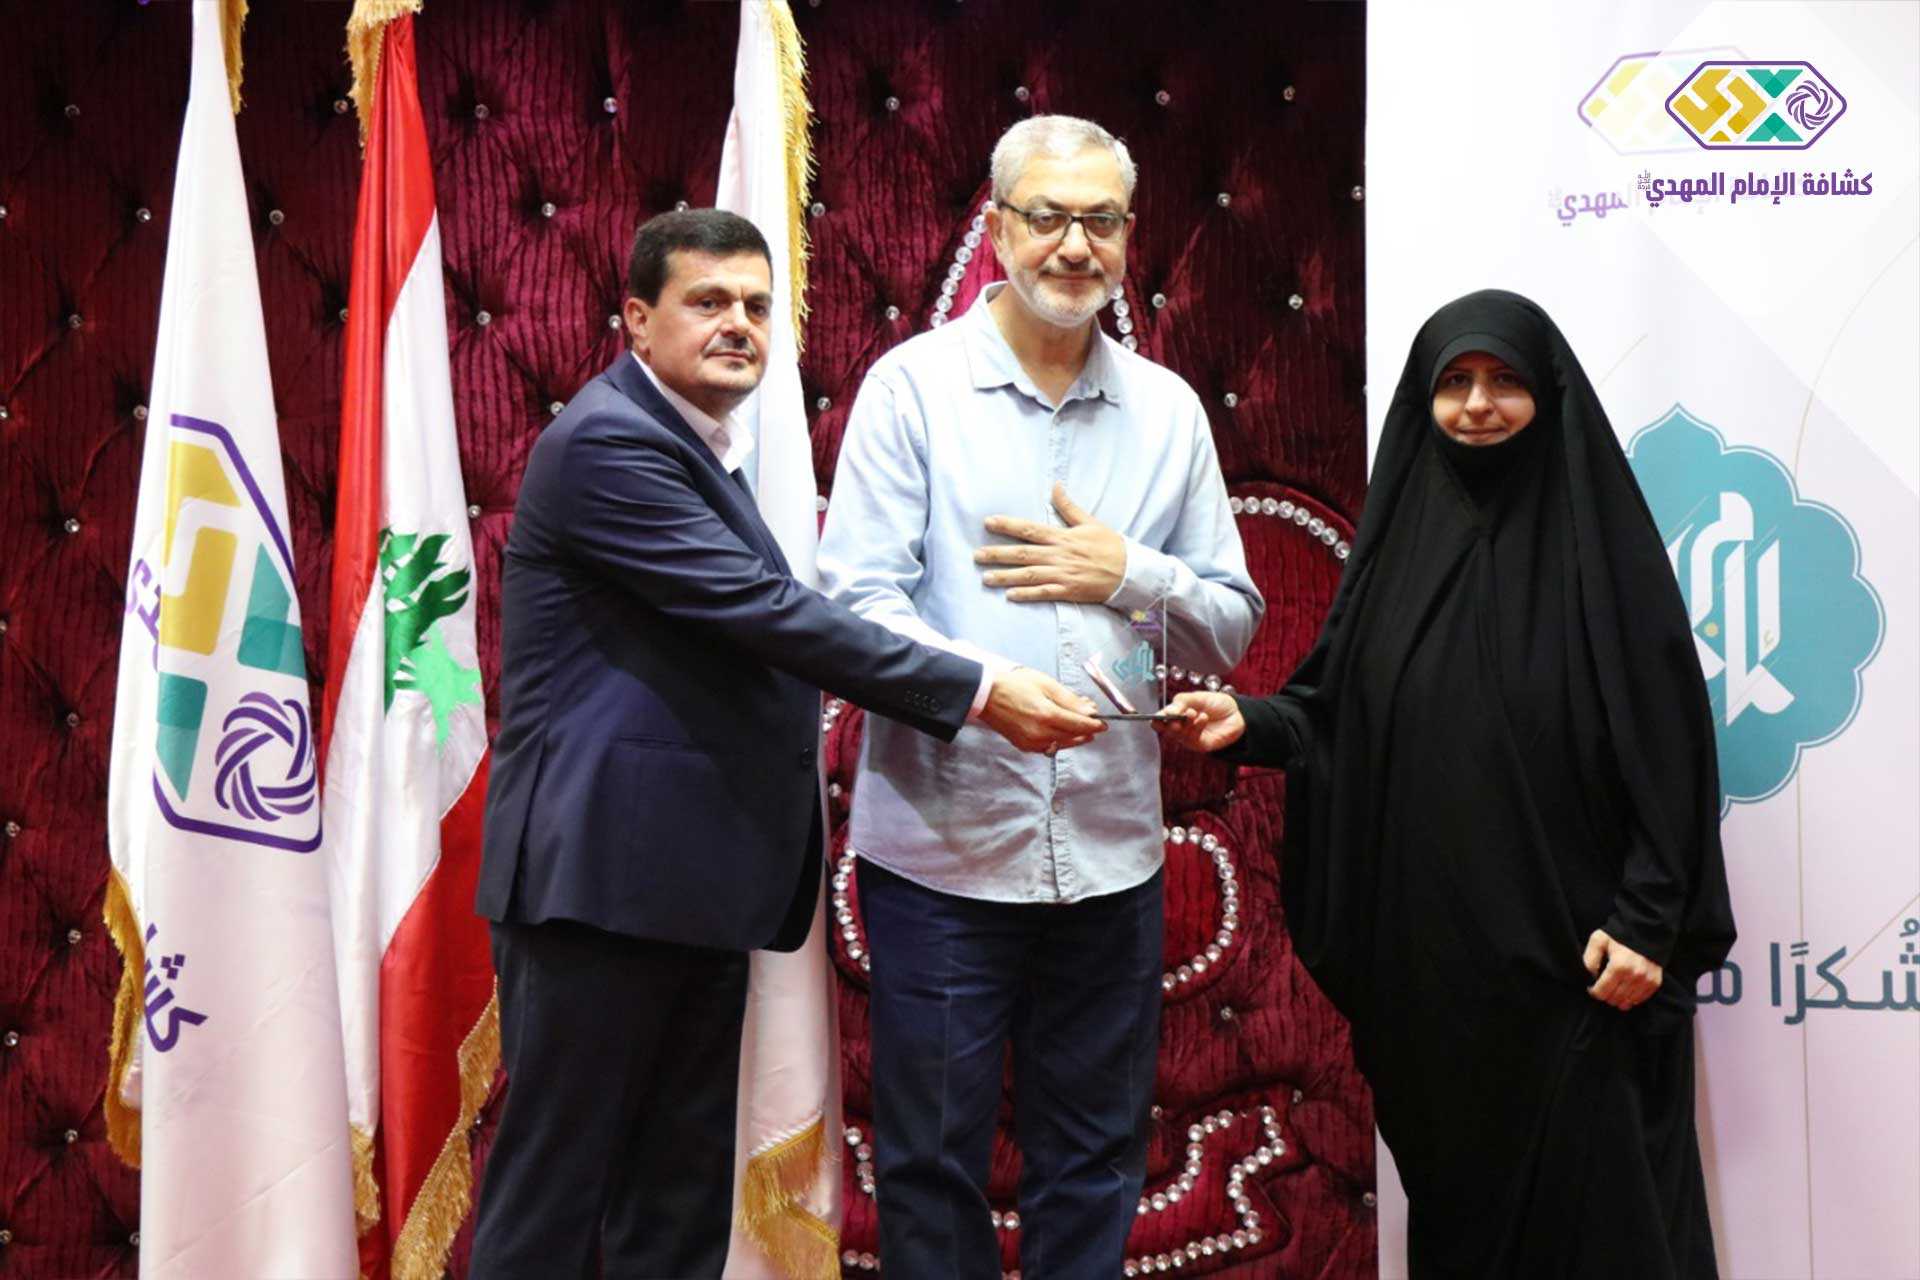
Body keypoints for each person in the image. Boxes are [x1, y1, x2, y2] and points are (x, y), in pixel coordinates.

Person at [470, 209, 1105, 1279]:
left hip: (685, 882)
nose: (739, 324)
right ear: (637, 319)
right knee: (554, 1194)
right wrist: (979, 687)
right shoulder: (610, 442)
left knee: (675, 1201)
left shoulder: (696, 449)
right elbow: (768, 614)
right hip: (599, 884)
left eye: (757, 306)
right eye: (707, 301)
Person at [1159, 290, 1736, 1279]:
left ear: (1549, 394)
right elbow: (1335, 713)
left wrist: (1649, 919)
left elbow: (1669, 752)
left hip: (1582, 965)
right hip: (1435, 982)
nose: (1477, 404)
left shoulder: (1606, 561)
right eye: (1455, 382)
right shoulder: (1398, 557)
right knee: (1466, 1228)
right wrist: (1249, 722)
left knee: (1607, 1226)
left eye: (1505, 380)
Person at [817, 116, 1263, 1279]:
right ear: (1000, 225)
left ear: (1129, 233)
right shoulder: (913, 390)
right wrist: (983, 691)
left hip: (1112, 854)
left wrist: (1130, 574)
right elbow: (855, 601)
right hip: (942, 852)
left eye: (1100, 220)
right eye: (1049, 216)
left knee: (1098, 1157)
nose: (1075, 244)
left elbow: (1228, 620)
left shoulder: (1167, 411)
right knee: (930, 1162)